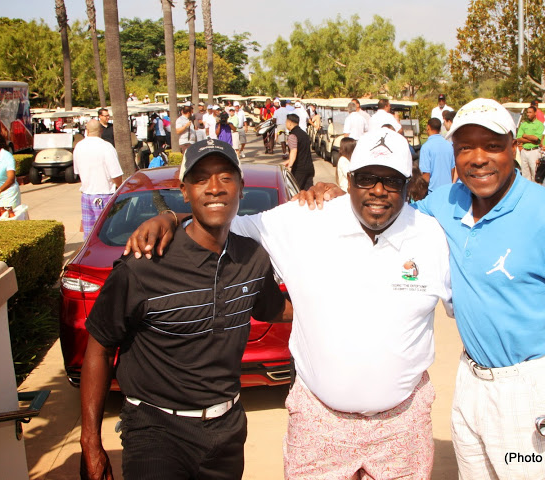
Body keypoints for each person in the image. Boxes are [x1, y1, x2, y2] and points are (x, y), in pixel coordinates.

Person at [299, 98, 545, 480]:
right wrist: (336, 194)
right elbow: (393, 208)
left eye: (492, 146)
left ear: (514, 148)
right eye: (466, 147)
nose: (478, 158)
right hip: (471, 381)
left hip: (534, 387)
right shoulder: (447, 203)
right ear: (454, 152)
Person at [124, 128, 452, 480]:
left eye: (391, 181)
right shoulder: (306, 219)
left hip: (402, 426)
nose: (377, 190)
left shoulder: (432, 236)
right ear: (350, 177)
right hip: (319, 423)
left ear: (408, 183)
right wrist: (172, 218)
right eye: (367, 178)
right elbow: (221, 219)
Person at [80, 139, 286, 480]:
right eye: (201, 178)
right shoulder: (144, 264)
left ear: (241, 188)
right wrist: (90, 442)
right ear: (185, 191)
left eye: (226, 177)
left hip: (228, 433)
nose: (215, 188)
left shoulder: (253, 258)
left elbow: (273, 309)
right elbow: (98, 349)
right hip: (156, 434)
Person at [73, 120, 124, 239]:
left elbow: (77, 171)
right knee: (106, 233)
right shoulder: (106, 147)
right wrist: (120, 186)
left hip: (86, 195)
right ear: (101, 130)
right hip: (104, 195)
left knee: (89, 235)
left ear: (87, 130)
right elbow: (115, 173)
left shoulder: (79, 146)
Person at [419, 117, 456, 193]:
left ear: (428, 127)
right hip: (447, 191)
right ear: (440, 129)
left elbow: (426, 174)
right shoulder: (449, 145)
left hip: (433, 191)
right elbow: (452, 169)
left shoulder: (426, 147)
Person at [283, 113, 314, 190]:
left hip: (299, 170)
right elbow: (302, 151)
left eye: (286, 122)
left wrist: (290, 166)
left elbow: (294, 151)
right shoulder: (304, 134)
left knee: (296, 192)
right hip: (309, 168)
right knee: (309, 192)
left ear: (290, 123)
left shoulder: (292, 136)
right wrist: (288, 161)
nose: (285, 123)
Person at [516, 105, 545, 182]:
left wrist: (525, 136)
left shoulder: (539, 124)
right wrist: (530, 140)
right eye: (527, 112)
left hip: (534, 151)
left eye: (530, 112)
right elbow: (519, 138)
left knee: (534, 173)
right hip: (524, 151)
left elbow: (536, 138)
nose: (528, 114)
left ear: (535, 113)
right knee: (525, 174)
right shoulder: (524, 124)